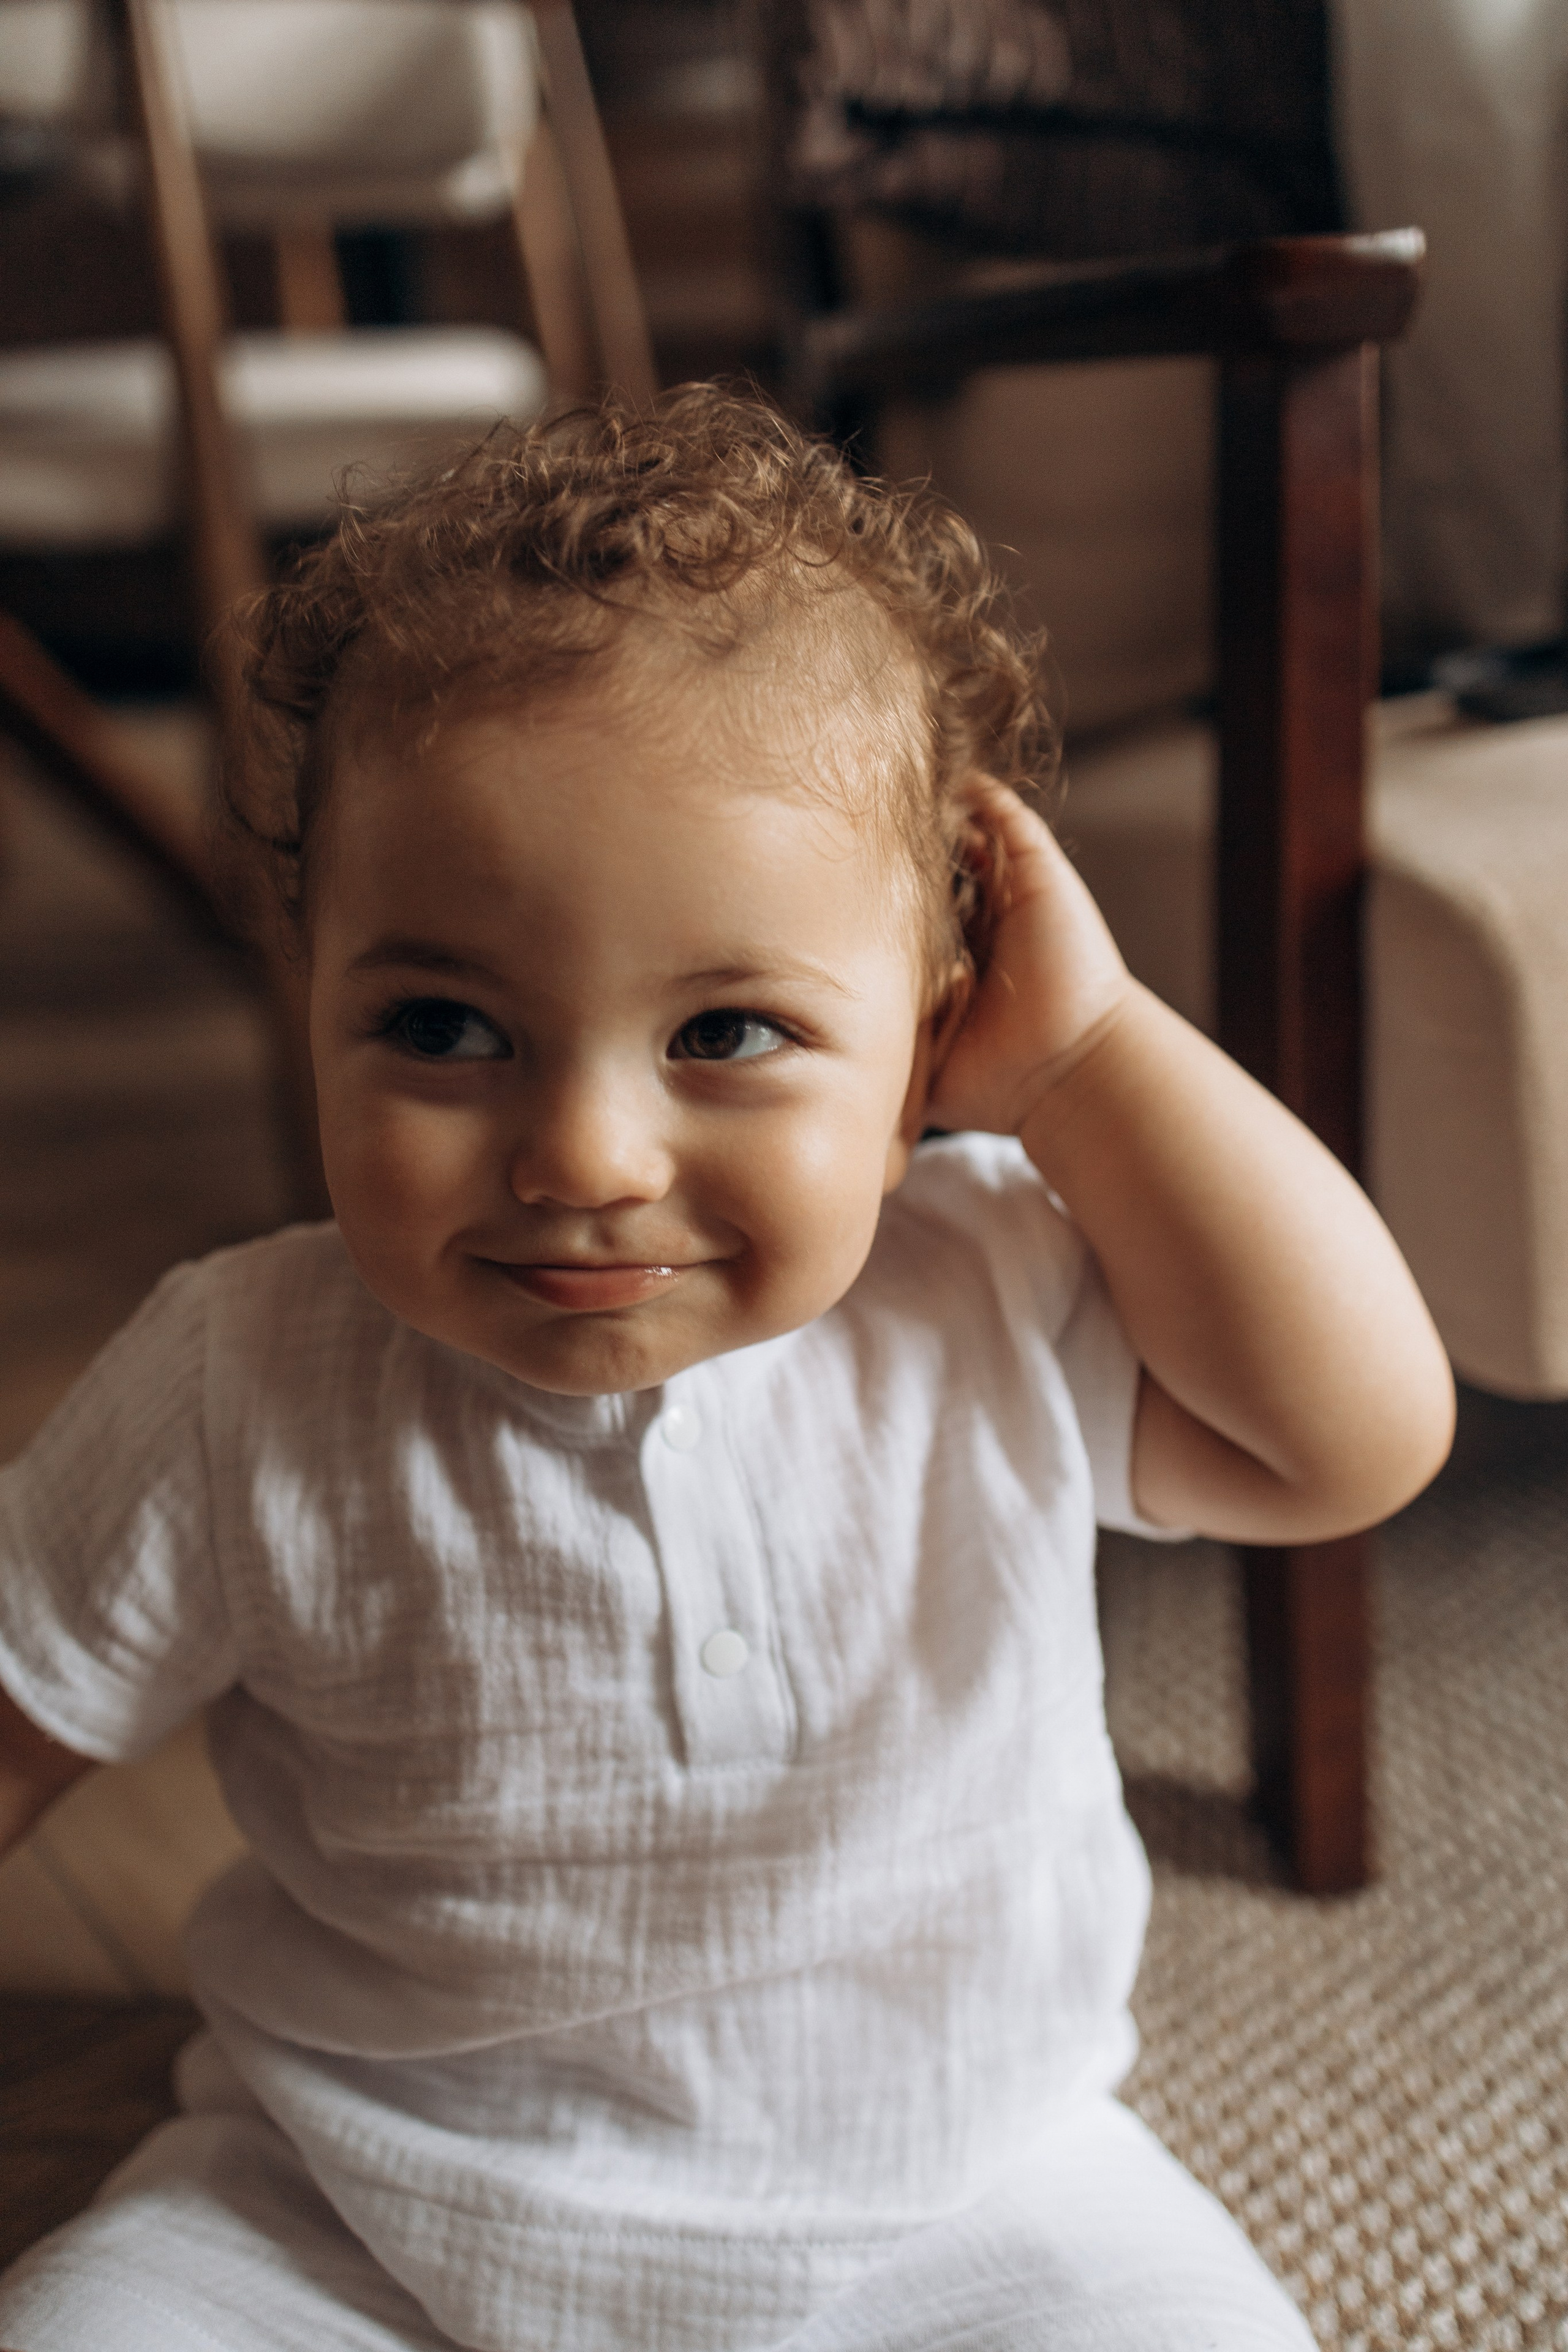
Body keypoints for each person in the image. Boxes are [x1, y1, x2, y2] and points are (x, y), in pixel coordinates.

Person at [0, 385, 1453, 2352]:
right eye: (443, 1021)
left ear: (931, 1038)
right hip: (352, 2199)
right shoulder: (239, 1374)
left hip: (965, 2201)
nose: (586, 1157)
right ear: (309, 984)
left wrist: (1095, 1061)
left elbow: (1348, 1443)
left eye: (728, 1035)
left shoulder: (992, 1285)